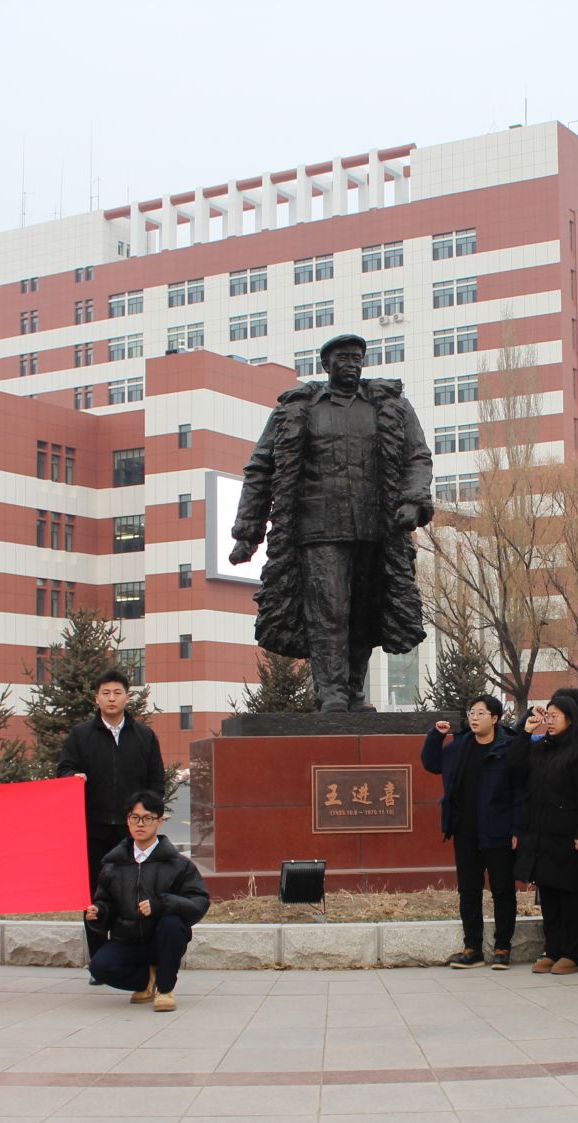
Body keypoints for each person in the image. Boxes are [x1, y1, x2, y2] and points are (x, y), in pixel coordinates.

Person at [227, 333, 435, 711]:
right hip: (318, 528)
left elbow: (417, 457)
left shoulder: (390, 407)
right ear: (326, 365)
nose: (352, 364)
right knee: (329, 610)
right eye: (343, 358)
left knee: (363, 611)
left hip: (374, 528)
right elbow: (260, 468)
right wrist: (247, 532)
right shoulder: (298, 409)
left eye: (357, 357)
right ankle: (332, 692)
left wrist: (413, 499)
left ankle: (353, 690)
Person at [58, 669, 166, 983]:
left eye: (117, 693)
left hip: (132, 832)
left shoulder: (144, 736)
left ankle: (136, 959)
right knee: (95, 896)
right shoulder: (81, 735)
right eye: (105, 693)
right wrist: (72, 777)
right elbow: (64, 769)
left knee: (134, 894)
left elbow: (156, 781)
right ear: (96, 698)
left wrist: (148, 816)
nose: (111, 699)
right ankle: (99, 962)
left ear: (127, 697)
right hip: (93, 829)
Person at [85, 792, 210, 1011]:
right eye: (135, 818)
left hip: (163, 940)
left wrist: (162, 904)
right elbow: (105, 902)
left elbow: (199, 901)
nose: (140, 824)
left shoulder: (179, 865)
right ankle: (147, 979)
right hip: (127, 940)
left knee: (172, 923)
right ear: (128, 820)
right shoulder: (113, 865)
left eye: (148, 818)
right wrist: (99, 912)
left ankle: (165, 989)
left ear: (160, 821)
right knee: (99, 968)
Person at [422, 695, 522, 968]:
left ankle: (502, 948)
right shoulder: (460, 746)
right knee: (469, 890)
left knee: (502, 890)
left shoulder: (508, 747)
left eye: (481, 713)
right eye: (472, 712)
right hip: (465, 830)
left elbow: (519, 792)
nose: (474, 718)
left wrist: (517, 828)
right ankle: (472, 948)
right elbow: (431, 764)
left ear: (495, 718)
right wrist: (436, 736)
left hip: (499, 831)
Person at [507, 693, 578, 974]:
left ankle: (573, 954)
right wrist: (526, 731)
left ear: (570, 720)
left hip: (569, 837)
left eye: (555, 716)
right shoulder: (540, 748)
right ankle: (553, 949)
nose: (549, 721)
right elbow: (514, 765)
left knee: (569, 896)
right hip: (541, 835)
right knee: (548, 896)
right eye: (548, 716)